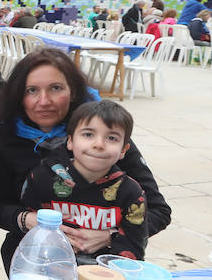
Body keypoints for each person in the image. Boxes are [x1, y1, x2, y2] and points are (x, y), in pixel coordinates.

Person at [0, 48, 170, 272]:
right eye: (32, 90)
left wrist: (111, 235)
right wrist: (27, 220)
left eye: (55, 88)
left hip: (102, 268)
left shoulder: (102, 136)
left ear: (74, 91)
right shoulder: (4, 138)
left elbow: (158, 211)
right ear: (19, 95)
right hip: (35, 263)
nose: (44, 101)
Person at [20, 100, 148, 263]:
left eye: (111, 138)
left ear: (123, 150)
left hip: (104, 278)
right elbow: (25, 230)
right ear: (70, 141)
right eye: (88, 134)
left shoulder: (131, 193)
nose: (98, 144)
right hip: (46, 269)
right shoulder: (41, 179)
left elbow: (134, 248)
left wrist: (113, 238)